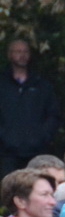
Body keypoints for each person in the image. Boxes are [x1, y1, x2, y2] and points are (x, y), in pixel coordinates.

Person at [0, 40, 60, 176]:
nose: (22, 55)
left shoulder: (41, 84)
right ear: (9, 55)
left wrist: (42, 136)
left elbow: (53, 114)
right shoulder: (2, 84)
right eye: (18, 51)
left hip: (37, 151)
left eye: (25, 51)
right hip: (6, 153)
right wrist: (4, 138)